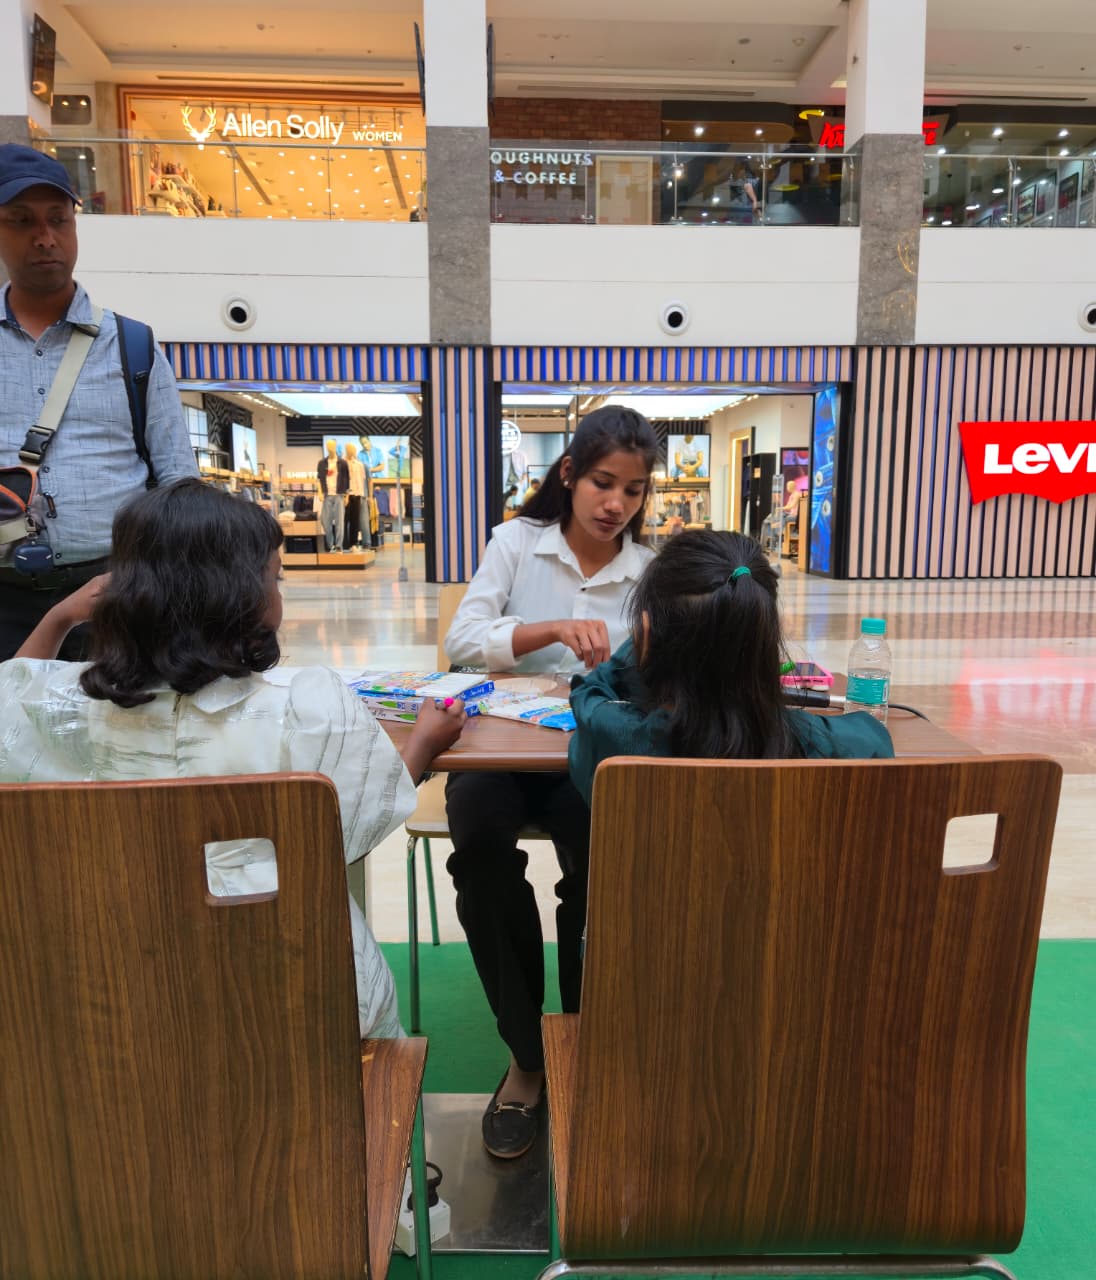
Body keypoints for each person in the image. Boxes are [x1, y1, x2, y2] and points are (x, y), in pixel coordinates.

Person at [0, 478, 466, 1039]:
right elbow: (350, 831)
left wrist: (58, 617)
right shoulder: (308, 707)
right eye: (275, 578)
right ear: (244, 597)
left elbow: (12, 689)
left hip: (107, 1009)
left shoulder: (56, 707)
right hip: (296, 1006)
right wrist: (421, 745)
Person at [443, 405, 658, 1159]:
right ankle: (528, 1057)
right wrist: (551, 631)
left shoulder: (647, 572)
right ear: (568, 474)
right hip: (499, 749)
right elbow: (462, 640)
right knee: (479, 854)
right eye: (602, 483)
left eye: (633, 490)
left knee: (601, 871)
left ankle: (585, 1041)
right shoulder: (516, 543)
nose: (615, 504)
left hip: (591, 750)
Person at [0, 144, 197, 661]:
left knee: (118, 715)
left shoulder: (132, 344)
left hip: (116, 594)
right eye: (22, 220)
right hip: (3, 597)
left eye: (58, 219)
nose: (45, 237)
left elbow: (178, 481)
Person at [568, 530, 893, 807]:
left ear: (647, 635)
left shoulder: (611, 738)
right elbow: (875, 737)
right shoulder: (820, 743)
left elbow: (589, 692)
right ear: (762, 636)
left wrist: (646, 641)